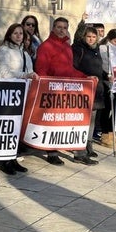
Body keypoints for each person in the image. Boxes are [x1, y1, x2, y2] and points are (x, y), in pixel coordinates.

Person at [34, 17, 90, 165]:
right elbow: (41, 70)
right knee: (53, 123)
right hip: (53, 91)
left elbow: (69, 70)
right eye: (59, 27)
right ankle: (52, 152)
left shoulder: (67, 47)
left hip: (68, 91)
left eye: (64, 27)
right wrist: (48, 87)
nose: (61, 30)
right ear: (53, 28)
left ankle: (79, 153)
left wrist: (85, 77)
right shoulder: (45, 47)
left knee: (73, 122)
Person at [0, 22, 38, 174]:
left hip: (23, 94)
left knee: (16, 129)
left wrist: (30, 77)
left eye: (21, 33)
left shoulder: (24, 53)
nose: (19, 36)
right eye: (15, 33)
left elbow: (30, 70)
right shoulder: (3, 50)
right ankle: (4, 159)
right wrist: (24, 76)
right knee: (6, 127)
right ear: (9, 35)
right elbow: (4, 72)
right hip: (8, 94)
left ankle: (13, 156)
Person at [72, 27, 106, 165]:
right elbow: (74, 67)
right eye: (89, 36)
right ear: (84, 37)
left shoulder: (97, 50)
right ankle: (79, 151)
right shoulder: (79, 49)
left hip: (96, 89)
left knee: (91, 120)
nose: (91, 39)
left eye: (93, 37)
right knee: (82, 121)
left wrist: (106, 76)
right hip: (83, 89)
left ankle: (88, 145)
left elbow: (98, 69)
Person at [98, 29, 116, 149]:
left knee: (114, 108)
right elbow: (103, 65)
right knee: (107, 109)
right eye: (115, 41)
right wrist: (107, 75)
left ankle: (111, 133)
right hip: (106, 81)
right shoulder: (103, 49)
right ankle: (105, 134)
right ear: (110, 39)